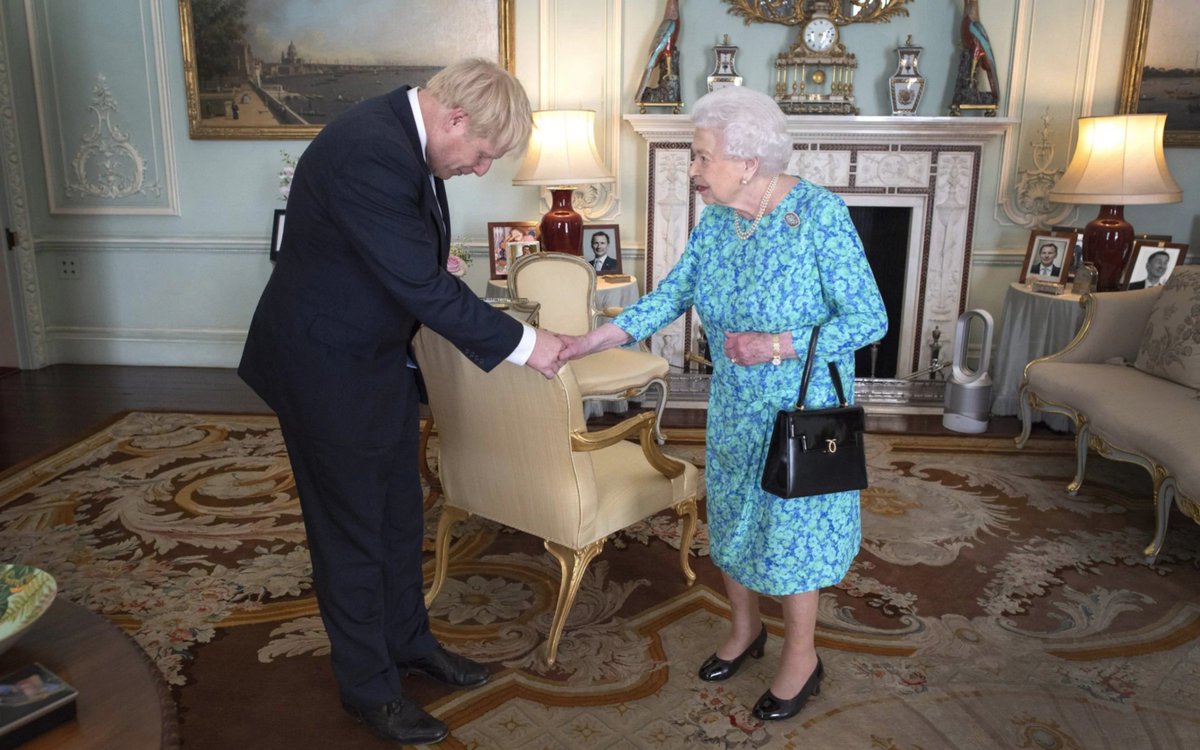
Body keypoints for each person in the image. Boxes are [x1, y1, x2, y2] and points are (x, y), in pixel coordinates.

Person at [238, 59, 566, 745]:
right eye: (481, 154)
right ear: (454, 120)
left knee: (395, 514)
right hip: (322, 366)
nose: (480, 170)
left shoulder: (402, 136)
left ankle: (410, 644)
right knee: (351, 532)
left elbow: (405, 262)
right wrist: (528, 345)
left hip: (373, 358)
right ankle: (369, 690)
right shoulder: (368, 150)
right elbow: (420, 284)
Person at [561, 86, 887, 722]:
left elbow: (869, 318)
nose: (693, 169)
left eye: (701, 156)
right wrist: (590, 339)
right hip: (736, 406)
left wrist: (775, 345)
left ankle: (802, 656)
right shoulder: (718, 221)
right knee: (734, 518)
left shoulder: (819, 215)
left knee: (794, 536)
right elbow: (672, 294)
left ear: (747, 161)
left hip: (802, 407)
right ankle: (744, 631)